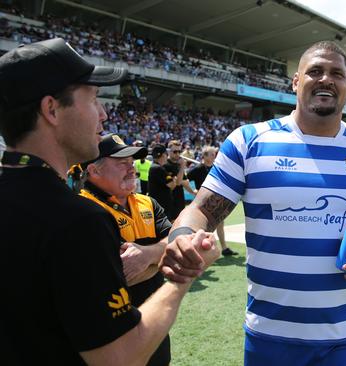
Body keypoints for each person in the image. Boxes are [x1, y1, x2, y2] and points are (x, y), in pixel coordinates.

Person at [160, 41, 346, 366]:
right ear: (296, 82)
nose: (326, 79)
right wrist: (181, 237)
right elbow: (202, 209)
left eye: (337, 74)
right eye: (315, 71)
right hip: (272, 338)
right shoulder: (249, 141)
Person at [0, 38, 219, 365]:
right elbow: (120, 358)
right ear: (51, 109)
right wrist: (182, 278)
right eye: (94, 100)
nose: (103, 115)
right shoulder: (76, 219)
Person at [80, 134, 173, 366]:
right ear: (94, 170)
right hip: (109, 333)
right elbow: (111, 280)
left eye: (132, 163)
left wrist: (147, 256)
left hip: (154, 322)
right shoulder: (82, 211)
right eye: (122, 163)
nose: (131, 169)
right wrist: (160, 260)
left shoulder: (147, 203)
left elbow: (178, 243)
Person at [187, 145, 238, 256]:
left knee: (220, 224)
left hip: (216, 202)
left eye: (214, 153)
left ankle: (224, 248)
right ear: (205, 156)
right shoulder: (198, 169)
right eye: (212, 154)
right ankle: (198, 250)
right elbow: (184, 180)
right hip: (203, 204)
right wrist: (192, 191)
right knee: (203, 227)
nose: (215, 155)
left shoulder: (216, 167)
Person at [165, 140, 196, 220]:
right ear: (169, 151)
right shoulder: (165, 165)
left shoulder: (178, 164)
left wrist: (193, 192)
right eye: (175, 151)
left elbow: (185, 182)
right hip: (169, 201)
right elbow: (178, 183)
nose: (178, 154)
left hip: (180, 201)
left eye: (179, 151)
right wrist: (182, 166)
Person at [148, 144, 177, 218]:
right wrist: (174, 178)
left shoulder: (154, 167)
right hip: (162, 207)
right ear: (163, 155)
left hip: (159, 205)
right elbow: (172, 185)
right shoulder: (158, 169)